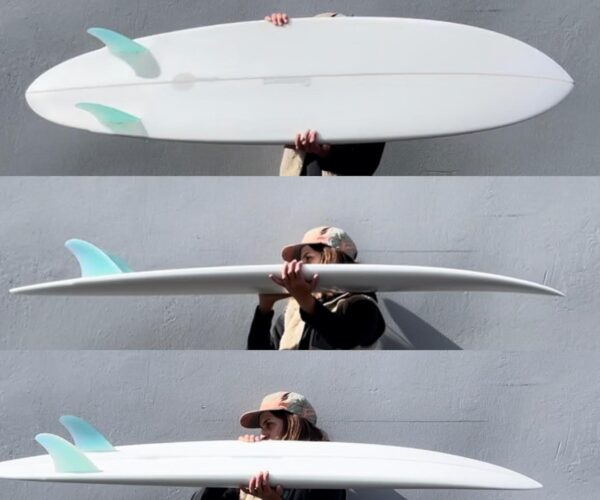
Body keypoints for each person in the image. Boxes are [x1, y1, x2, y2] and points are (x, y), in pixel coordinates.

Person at [265, 12, 386, 176]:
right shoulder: (301, 93)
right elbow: (268, 85)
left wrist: (325, 152)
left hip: (339, 190)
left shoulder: (371, 101)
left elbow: (366, 165)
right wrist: (275, 34)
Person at [247, 226, 386, 350]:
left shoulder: (361, 304)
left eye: (308, 258)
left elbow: (345, 337)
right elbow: (259, 359)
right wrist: (264, 309)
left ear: (333, 257)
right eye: (300, 261)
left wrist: (305, 300)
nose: (300, 268)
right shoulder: (292, 313)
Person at [194, 391, 346, 500]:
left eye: (269, 424)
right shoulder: (255, 472)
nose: (262, 435)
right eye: (262, 428)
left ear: (294, 425)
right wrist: (236, 461)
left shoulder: (323, 472)